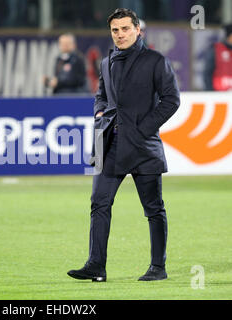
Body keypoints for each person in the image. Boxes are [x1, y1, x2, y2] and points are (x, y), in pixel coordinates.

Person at [67, 8, 180, 282]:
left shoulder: (155, 60)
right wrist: (99, 112)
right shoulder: (106, 62)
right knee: (99, 203)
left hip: (143, 145)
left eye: (125, 29)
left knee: (153, 208)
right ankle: (96, 266)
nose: (120, 34)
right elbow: (101, 95)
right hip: (108, 143)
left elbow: (171, 100)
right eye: (115, 30)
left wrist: (144, 129)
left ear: (137, 29)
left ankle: (158, 267)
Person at [204, 24, 232, 91]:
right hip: (219, 94)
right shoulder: (216, 49)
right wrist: (210, 92)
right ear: (229, 36)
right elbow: (208, 73)